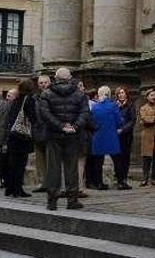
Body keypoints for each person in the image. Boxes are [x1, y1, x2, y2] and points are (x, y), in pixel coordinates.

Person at [37, 67, 92, 210]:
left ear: (55, 78)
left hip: (54, 135)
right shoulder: (80, 95)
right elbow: (85, 114)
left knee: (53, 168)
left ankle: (52, 200)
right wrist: (74, 127)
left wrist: (61, 126)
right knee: (71, 167)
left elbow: (45, 114)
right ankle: (72, 199)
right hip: (73, 135)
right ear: (70, 78)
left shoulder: (47, 94)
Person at [5, 80, 35, 197]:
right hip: (22, 136)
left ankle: (10, 188)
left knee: (12, 163)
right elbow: (33, 117)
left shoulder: (16, 99)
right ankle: (18, 189)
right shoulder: (28, 99)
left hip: (13, 135)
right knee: (20, 164)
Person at [89, 85, 122, 190]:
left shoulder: (94, 107)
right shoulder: (112, 106)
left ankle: (99, 183)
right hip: (110, 135)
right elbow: (119, 121)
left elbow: (92, 122)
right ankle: (121, 182)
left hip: (98, 135)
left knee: (98, 161)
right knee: (117, 159)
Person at [30, 75, 51, 193]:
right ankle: (42, 183)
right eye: (41, 83)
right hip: (37, 132)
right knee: (40, 160)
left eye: (45, 82)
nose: (43, 84)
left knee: (50, 160)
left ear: (49, 83)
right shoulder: (34, 98)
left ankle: (50, 183)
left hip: (50, 132)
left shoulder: (53, 96)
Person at [139, 89, 155, 186]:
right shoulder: (143, 108)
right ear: (147, 96)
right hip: (147, 135)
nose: (154, 97)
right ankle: (145, 178)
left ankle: (154, 178)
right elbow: (145, 119)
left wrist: (152, 119)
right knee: (146, 158)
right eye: (152, 95)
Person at [114, 86, 136, 190]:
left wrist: (122, 130)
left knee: (125, 158)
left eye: (122, 93)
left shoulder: (130, 105)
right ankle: (119, 179)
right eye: (119, 93)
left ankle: (124, 179)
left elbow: (132, 121)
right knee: (117, 158)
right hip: (116, 136)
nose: (121, 95)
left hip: (126, 135)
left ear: (126, 94)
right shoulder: (115, 106)